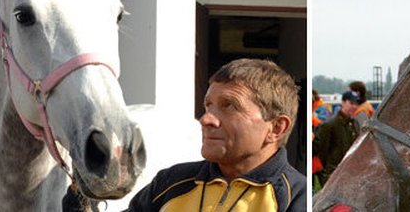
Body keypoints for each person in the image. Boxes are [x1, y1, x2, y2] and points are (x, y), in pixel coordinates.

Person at [127, 59, 306, 211]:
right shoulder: (170, 182)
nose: (206, 119)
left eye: (229, 106)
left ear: (276, 128)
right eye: (208, 106)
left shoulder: (297, 198)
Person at [313, 91, 360, 186]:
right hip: (333, 173)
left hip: (349, 171)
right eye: (351, 103)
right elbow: (322, 150)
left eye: (356, 104)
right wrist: (327, 171)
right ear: (343, 103)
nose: (354, 107)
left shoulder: (355, 123)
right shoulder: (329, 125)